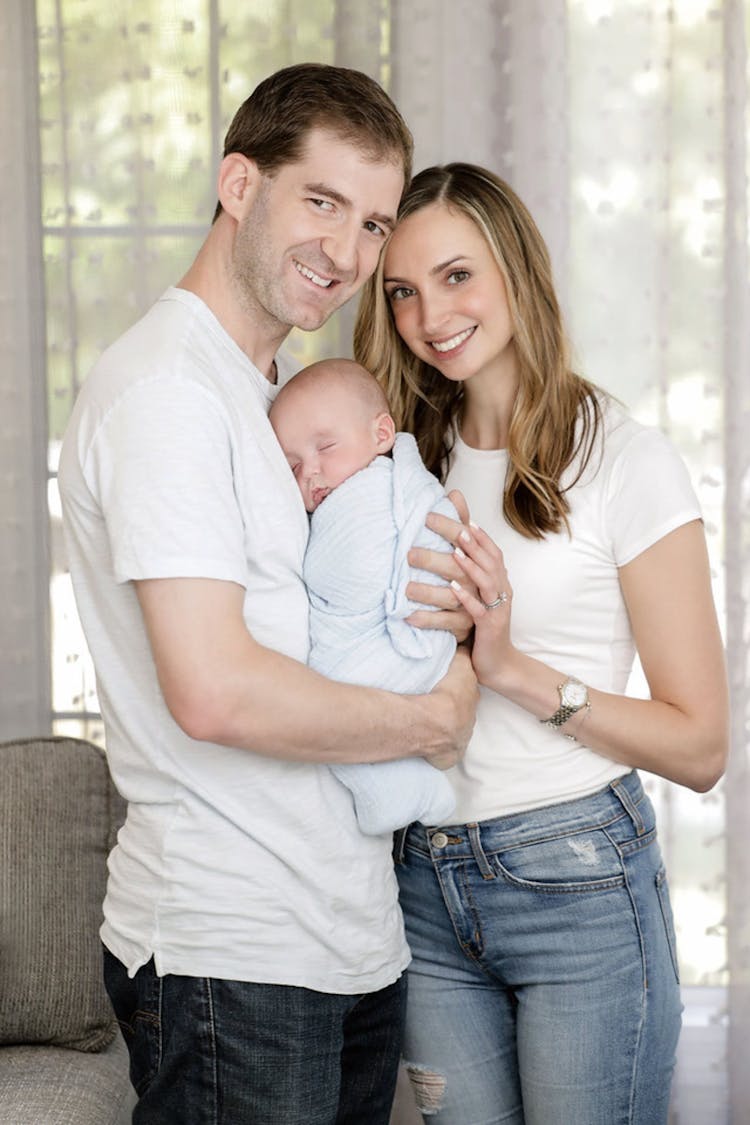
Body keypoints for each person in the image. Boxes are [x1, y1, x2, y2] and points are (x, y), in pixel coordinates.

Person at [58, 67, 478, 1125]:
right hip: (231, 955)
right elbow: (217, 693)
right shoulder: (169, 393)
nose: (345, 254)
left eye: (373, 221)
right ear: (239, 183)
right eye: (321, 202)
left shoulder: (277, 403)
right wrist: (431, 717)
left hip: (342, 937)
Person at [354, 162, 730, 1124]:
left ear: (517, 271)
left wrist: (512, 668)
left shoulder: (622, 459)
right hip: (423, 888)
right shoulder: (396, 464)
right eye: (402, 289)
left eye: (456, 276)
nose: (429, 315)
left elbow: (700, 746)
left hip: (579, 886)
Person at [269, 357, 458, 834]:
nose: (310, 474)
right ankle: (403, 789)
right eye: (292, 465)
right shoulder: (351, 496)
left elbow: (345, 576)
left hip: (391, 647)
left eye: (325, 447)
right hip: (401, 657)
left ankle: (396, 793)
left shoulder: (373, 492)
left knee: (327, 693)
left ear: (381, 435)